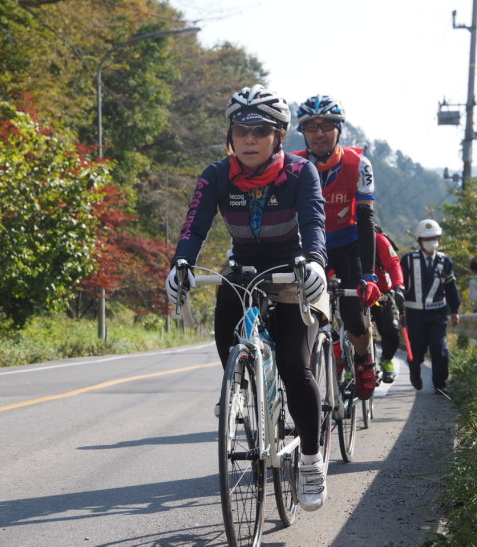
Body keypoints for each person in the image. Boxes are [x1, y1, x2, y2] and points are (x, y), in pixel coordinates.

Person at [165, 84, 330, 511]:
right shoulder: (216, 175)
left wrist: (314, 261)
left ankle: (311, 462)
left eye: (260, 130)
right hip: (243, 268)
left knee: (296, 367)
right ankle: (242, 384)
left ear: (279, 135)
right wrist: (180, 265)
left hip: (294, 268)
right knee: (229, 337)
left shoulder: (299, 172)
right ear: (230, 136)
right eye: (241, 130)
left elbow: (313, 219)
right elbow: (194, 228)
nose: (249, 139)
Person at [292, 94, 380, 401]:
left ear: (339, 129)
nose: (319, 133)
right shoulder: (293, 165)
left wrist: (368, 275)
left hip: (348, 245)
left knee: (354, 313)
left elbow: (367, 219)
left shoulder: (359, 163)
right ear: (302, 132)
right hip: (308, 247)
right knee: (296, 313)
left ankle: (362, 358)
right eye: (311, 127)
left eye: (326, 126)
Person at [400, 219, 461, 394]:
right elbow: (401, 285)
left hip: (438, 314)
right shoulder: (409, 260)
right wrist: (400, 310)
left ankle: (440, 385)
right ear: (419, 240)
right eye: (427, 238)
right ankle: (414, 371)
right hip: (414, 313)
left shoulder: (445, 261)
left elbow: (451, 287)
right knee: (416, 350)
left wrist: (455, 310)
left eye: (434, 237)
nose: (431, 241)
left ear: (439, 238)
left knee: (439, 348)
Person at [372, 225, 405, 383]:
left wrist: (398, 286)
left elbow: (393, 264)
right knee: (350, 332)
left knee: (391, 332)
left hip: (381, 295)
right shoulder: (342, 236)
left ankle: (386, 360)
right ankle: (346, 366)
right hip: (353, 294)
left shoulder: (378, 239)